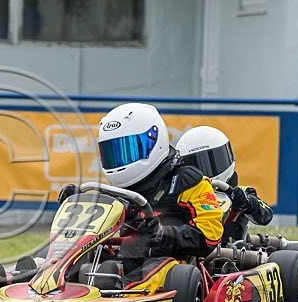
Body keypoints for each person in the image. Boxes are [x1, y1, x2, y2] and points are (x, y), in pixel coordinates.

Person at [59, 103, 224, 284]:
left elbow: (210, 236)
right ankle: (37, 279)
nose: (119, 159)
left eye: (126, 149)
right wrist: (79, 202)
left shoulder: (187, 181)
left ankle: (117, 289)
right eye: (112, 152)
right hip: (120, 256)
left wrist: (162, 233)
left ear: (153, 140)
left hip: (168, 261)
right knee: (70, 260)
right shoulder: (118, 191)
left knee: (158, 267)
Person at [175, 125, 273, 244]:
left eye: (210, 162)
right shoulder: (184, 196)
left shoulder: (241, 193)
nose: (203, 170)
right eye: (195, 166)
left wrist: (247, 202)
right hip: (194, 248)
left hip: (235, 253)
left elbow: (266, 215)